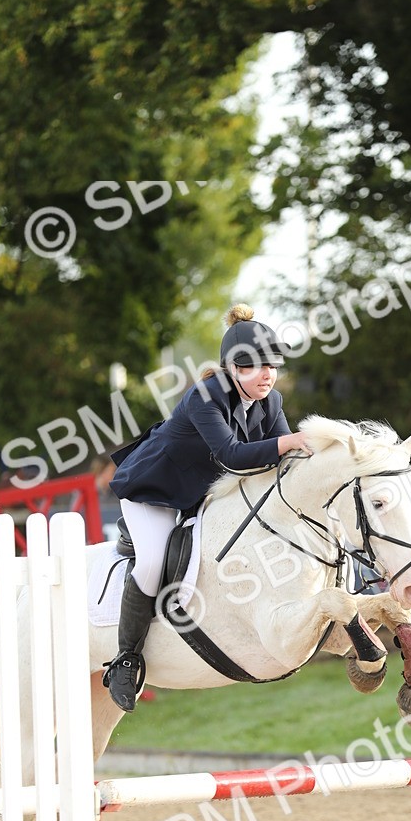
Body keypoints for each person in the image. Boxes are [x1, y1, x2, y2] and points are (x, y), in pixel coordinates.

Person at [104, 304, 312, 712]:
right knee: (150, 562)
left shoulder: (272, 403)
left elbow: (285, 462)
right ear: (232, 369)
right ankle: (126, 659)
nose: (267, 374)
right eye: (254, 366)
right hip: (154, 491)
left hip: (200, 495)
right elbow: (233, 455)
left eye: (272, 365)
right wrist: (291, 443)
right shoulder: (204, 397)